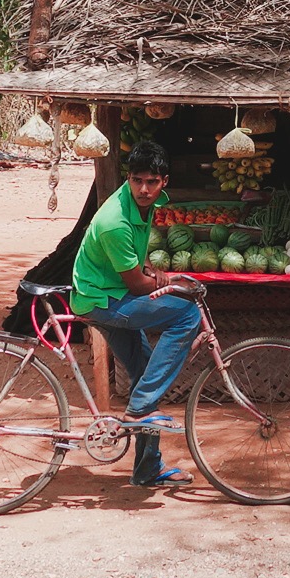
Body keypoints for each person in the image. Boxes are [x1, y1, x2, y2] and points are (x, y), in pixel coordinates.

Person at [68, 139, 205, 489]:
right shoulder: (115, 219)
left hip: (113, 292)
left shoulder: (148, 204)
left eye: (152, 181)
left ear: (164, 182)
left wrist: (150, 272)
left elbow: (136, 268)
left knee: (146, 373)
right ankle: (141, 406)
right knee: (186, 315)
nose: (144, 189)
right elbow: (137, 286)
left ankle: (147, 470)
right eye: (138, 180)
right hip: (101, 300)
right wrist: (171, 282)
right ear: (128, 179)